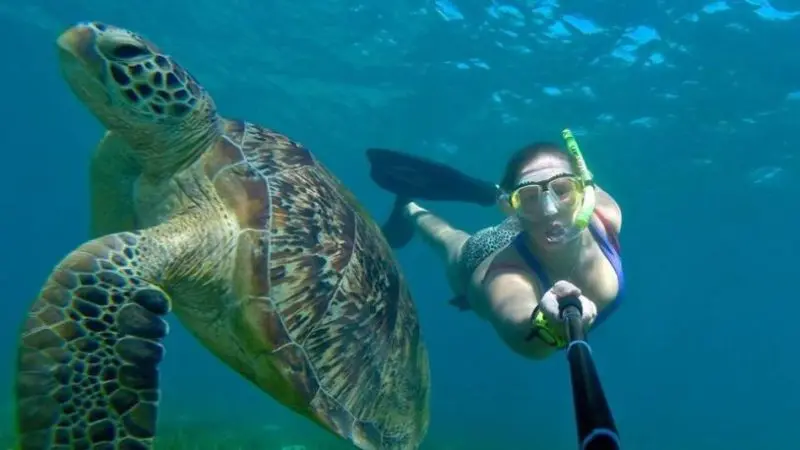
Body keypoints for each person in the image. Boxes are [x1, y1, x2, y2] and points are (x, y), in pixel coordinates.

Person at [366, 136, 623, 359]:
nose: (550, 210)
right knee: (449, 239)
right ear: (511, 209)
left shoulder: (605, 215)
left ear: (585, 193)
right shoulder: (505, 272)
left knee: (540, 201)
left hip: (529, 226)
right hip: (484, 255)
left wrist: (530, 196)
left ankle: (505, 193)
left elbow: (583, 184)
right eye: (529, 197)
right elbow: (517, 319)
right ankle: (410, 209)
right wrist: (545, 326)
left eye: (563, 190)